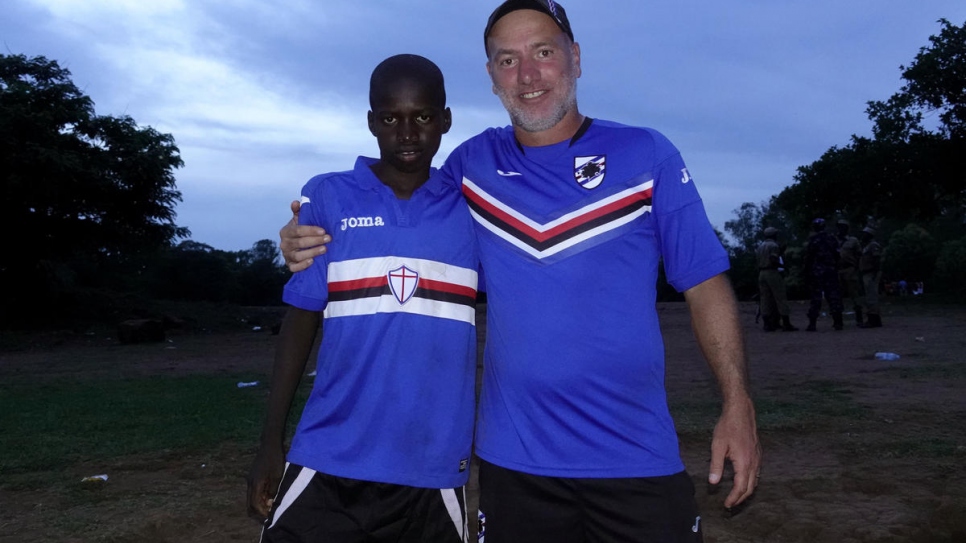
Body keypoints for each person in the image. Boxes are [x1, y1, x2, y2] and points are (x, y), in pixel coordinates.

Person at [279, 2, 761, 541]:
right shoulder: (469, 169)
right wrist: (305, 234)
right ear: (490, 78)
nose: (528, 75)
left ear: (575, 59)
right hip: (515, 467)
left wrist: (737, 403)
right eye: (507, 60)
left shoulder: (646, 154)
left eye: (544, 53)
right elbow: (388, 209)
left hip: (637, 458)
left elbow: (704, 283)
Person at [247, 54, 478, 543]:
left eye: (423, 116)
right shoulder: (329, 197)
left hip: (431, 464)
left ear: (446, 120)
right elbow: (301, 318)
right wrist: (271, 440)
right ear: (371, 122)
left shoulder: (472, 208)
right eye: (391, 118)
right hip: (328, 455)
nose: (408, 133)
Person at [803, 217, 844, 331]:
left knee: (816, 297)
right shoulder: (832, 239)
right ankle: (838, 322)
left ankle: (812, 324)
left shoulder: (813, 240)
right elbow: (838, 255)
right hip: (830, 270)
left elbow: (808, 258)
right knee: (834, 296)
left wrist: (806, 272)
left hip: (817, 272)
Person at [757, 227, 797, 331]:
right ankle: (786, 323)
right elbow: (773, 259)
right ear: (774, 235)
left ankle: (767, 324)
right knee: (780, 297)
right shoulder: (774, 246)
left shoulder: (761, 246)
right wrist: (784, 267)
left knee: (765, 299)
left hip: (761, 273)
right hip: (772, 272)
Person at [836, 219, 864, 326]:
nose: (840, 229)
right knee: (837, 295)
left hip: (850, 269)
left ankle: (859, 317)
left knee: (855, 294)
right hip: (837, 269)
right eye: (839, 226)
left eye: (843, 226)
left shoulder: (853, 240)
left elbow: (859, 255)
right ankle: (838, 320)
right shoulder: (833, 240)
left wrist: (857, 268)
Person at [858, 226, 884, 328]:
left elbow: (877, 259)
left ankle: (873, 320)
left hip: (871, 273)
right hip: (867, 273)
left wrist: (875, 273)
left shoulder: (873, 245)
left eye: (864, 234)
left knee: (871, 297)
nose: (862, 236)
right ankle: (874, 319)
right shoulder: (867, 246)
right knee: (869, 297)